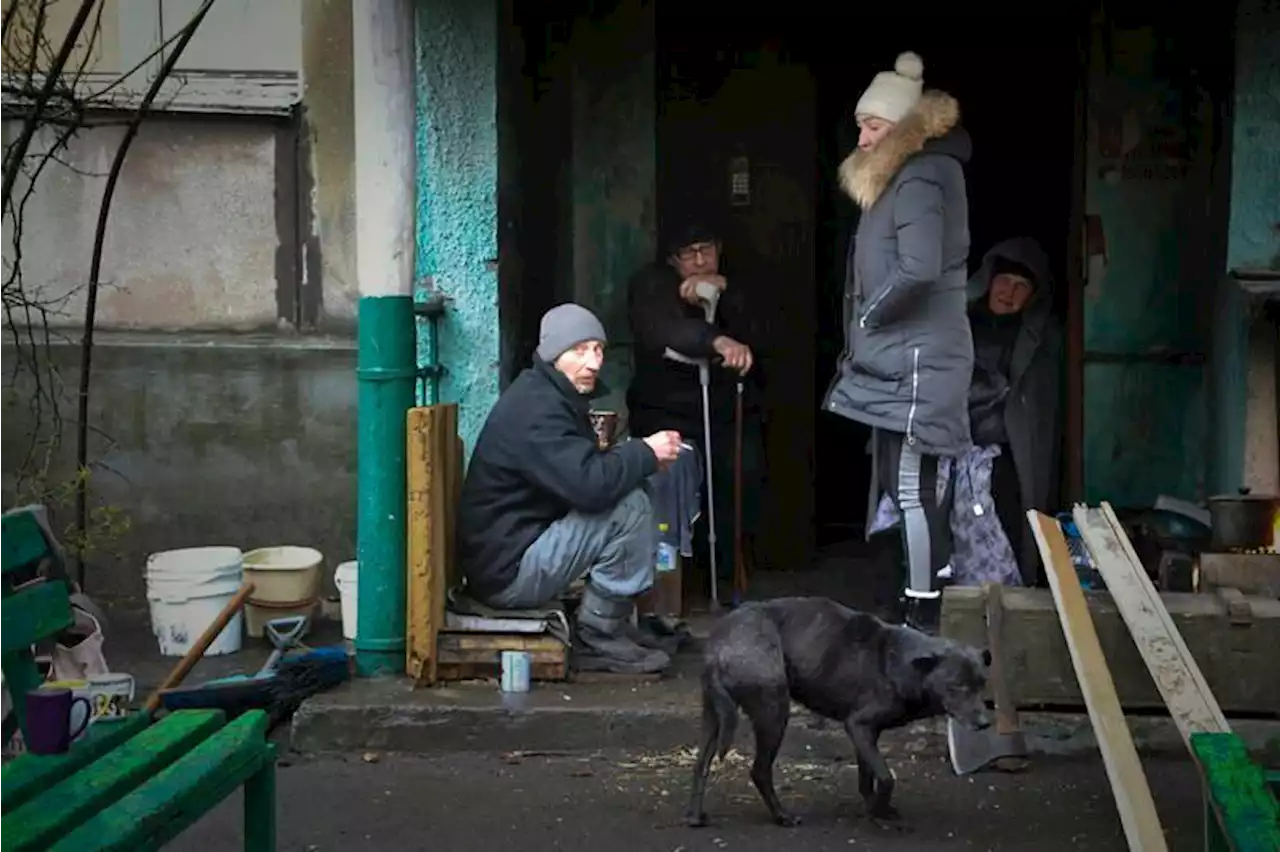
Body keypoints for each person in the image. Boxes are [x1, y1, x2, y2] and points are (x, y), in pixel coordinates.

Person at [821, 50, 973, 633]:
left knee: (913, 489)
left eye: (874, 126)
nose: (861, 136)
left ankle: (922, 615)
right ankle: (913, 600)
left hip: (919, 362)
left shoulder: (922, 175)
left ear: (905, 129)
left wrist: (870, 318)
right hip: (906, 359)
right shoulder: (903, 173)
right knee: (907, 487)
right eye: (861, 124)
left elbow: (918, 269)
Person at [456, 303, 684, 674]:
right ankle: (599, 635)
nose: (593, 362)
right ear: (552, 354)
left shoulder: (544, 395)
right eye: (579, 350)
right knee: (629, 507)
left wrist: (636, 458)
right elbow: (590, 487)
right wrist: (644, 452)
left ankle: (615, 623)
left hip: (508, 557)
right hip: (509, 574)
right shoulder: (537, 409)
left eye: (598, 350)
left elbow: (580, 476)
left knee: (630, 487)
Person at [626, 217, 765, 591]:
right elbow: (666, 330)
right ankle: (672, 589)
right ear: (672, 260)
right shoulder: (652, 285)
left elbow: (757, 330)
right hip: (667, 413)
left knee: (736, 487)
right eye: (690, 254)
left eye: (708, 250)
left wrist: (723, 295)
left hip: (724, 414)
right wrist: (717, 342)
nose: (701, 260)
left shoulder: (735, 284)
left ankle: (727, 578)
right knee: (672, 500)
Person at [965, 237, 1063, 586]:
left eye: (1021, 286)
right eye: (1004, 280)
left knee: (1009, 522)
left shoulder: (1041, 338)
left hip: (1006, 450)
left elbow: (1041, 408)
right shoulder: (958, 327)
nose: (1009, 292)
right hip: (958, 445)